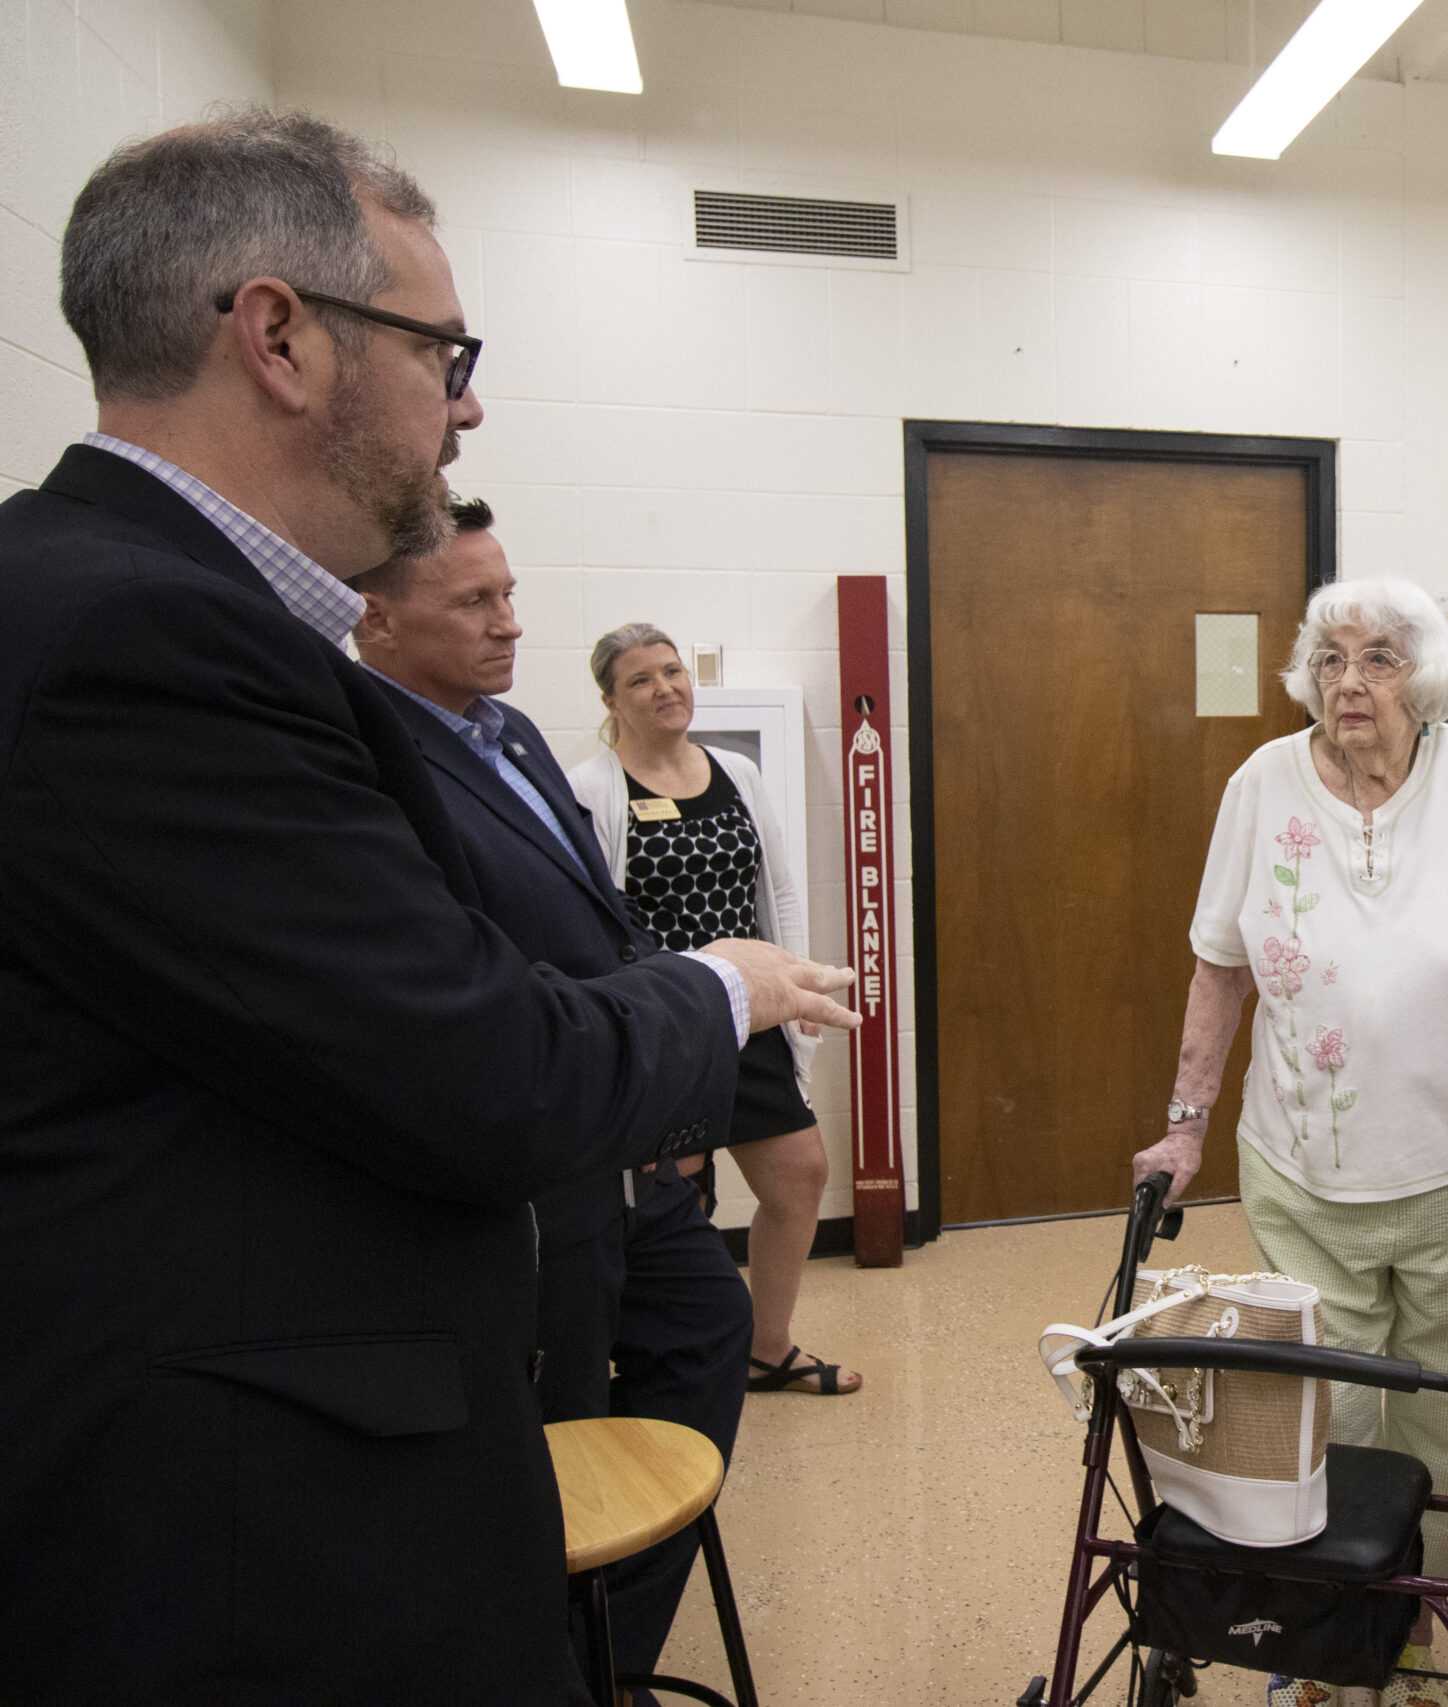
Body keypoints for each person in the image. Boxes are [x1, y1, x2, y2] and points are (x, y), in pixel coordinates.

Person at [0, 110, 854, 1703]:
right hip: (254, 1546)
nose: (468, 406)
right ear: (279, 338)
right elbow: (484, 1070)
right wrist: (719, 987)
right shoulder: (152, 645)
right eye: (441, 350)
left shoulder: (101, 595)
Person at [1130, 578, 1448, 1707]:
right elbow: (1219, 963)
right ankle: (1325, 1653)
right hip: (1307, 1176)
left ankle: (1426, 1649)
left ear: (1419, 675)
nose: (1347, 682)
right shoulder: (1262, 782)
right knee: (1326, 1426)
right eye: (1328, 659)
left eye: (1374, 659)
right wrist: (1185, 1128)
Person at [351, 500, 756, 1690]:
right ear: (374, 615)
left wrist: (669, 1112)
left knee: (704, 1331)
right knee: (565, 1414)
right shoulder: (372, 751)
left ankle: (611, 1645)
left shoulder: (511, 735)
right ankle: (563, 1662)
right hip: (533, 1152)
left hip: (622, 1122)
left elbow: (606, 923)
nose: (510, 624)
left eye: (509, 593)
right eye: (474, 604)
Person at [571, 627, 855, 1397]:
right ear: (610, 700)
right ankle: (672, 1361)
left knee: (800, 1176)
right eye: (640, 680)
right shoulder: (594, 787)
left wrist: (798, 990)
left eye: (671, 671)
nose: (665, 687)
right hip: (668, 1024)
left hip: (753, 1013)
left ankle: (768, 1348)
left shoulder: (736, 772)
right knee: (677, 1205)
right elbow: (590, 915)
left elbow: (782, 889)